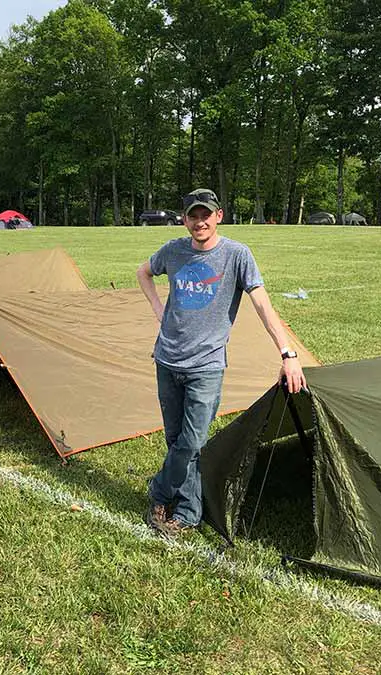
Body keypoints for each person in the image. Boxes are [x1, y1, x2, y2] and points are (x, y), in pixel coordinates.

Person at [137, 188, 306, 537]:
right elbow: (144, 273)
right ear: (184, 220)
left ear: (219, 216)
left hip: (206, 366)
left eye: (205, 215)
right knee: (176, 440)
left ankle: (159, 491)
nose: (199, 222)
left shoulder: (236, 256)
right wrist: (158, 311)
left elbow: (263, 305)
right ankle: (187, 511)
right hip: (167, 359)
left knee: (193, 441)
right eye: (192, 216)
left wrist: (288, 354)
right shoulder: (173, 251)